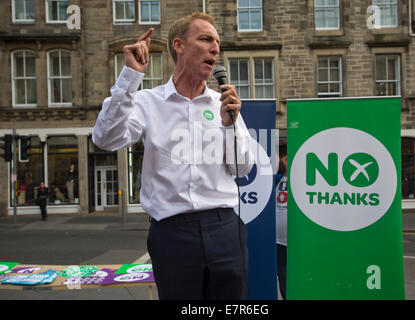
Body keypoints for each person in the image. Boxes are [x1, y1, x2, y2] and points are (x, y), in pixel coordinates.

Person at [92, 12, 254, 300]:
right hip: (172, 233)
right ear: (179, 45)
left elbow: (242, 168)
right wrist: (130, 76)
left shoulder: (224, 103)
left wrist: (230, 126)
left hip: (225, 229)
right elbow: (105, 138)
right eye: (205, 39)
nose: (215, 48)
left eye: (217, 42)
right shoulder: (147, 101)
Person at [275, 142, 288, 299]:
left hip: (296, 241)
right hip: (279, 242)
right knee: (283, 279)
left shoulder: (305, 179)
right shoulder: (277, 178)